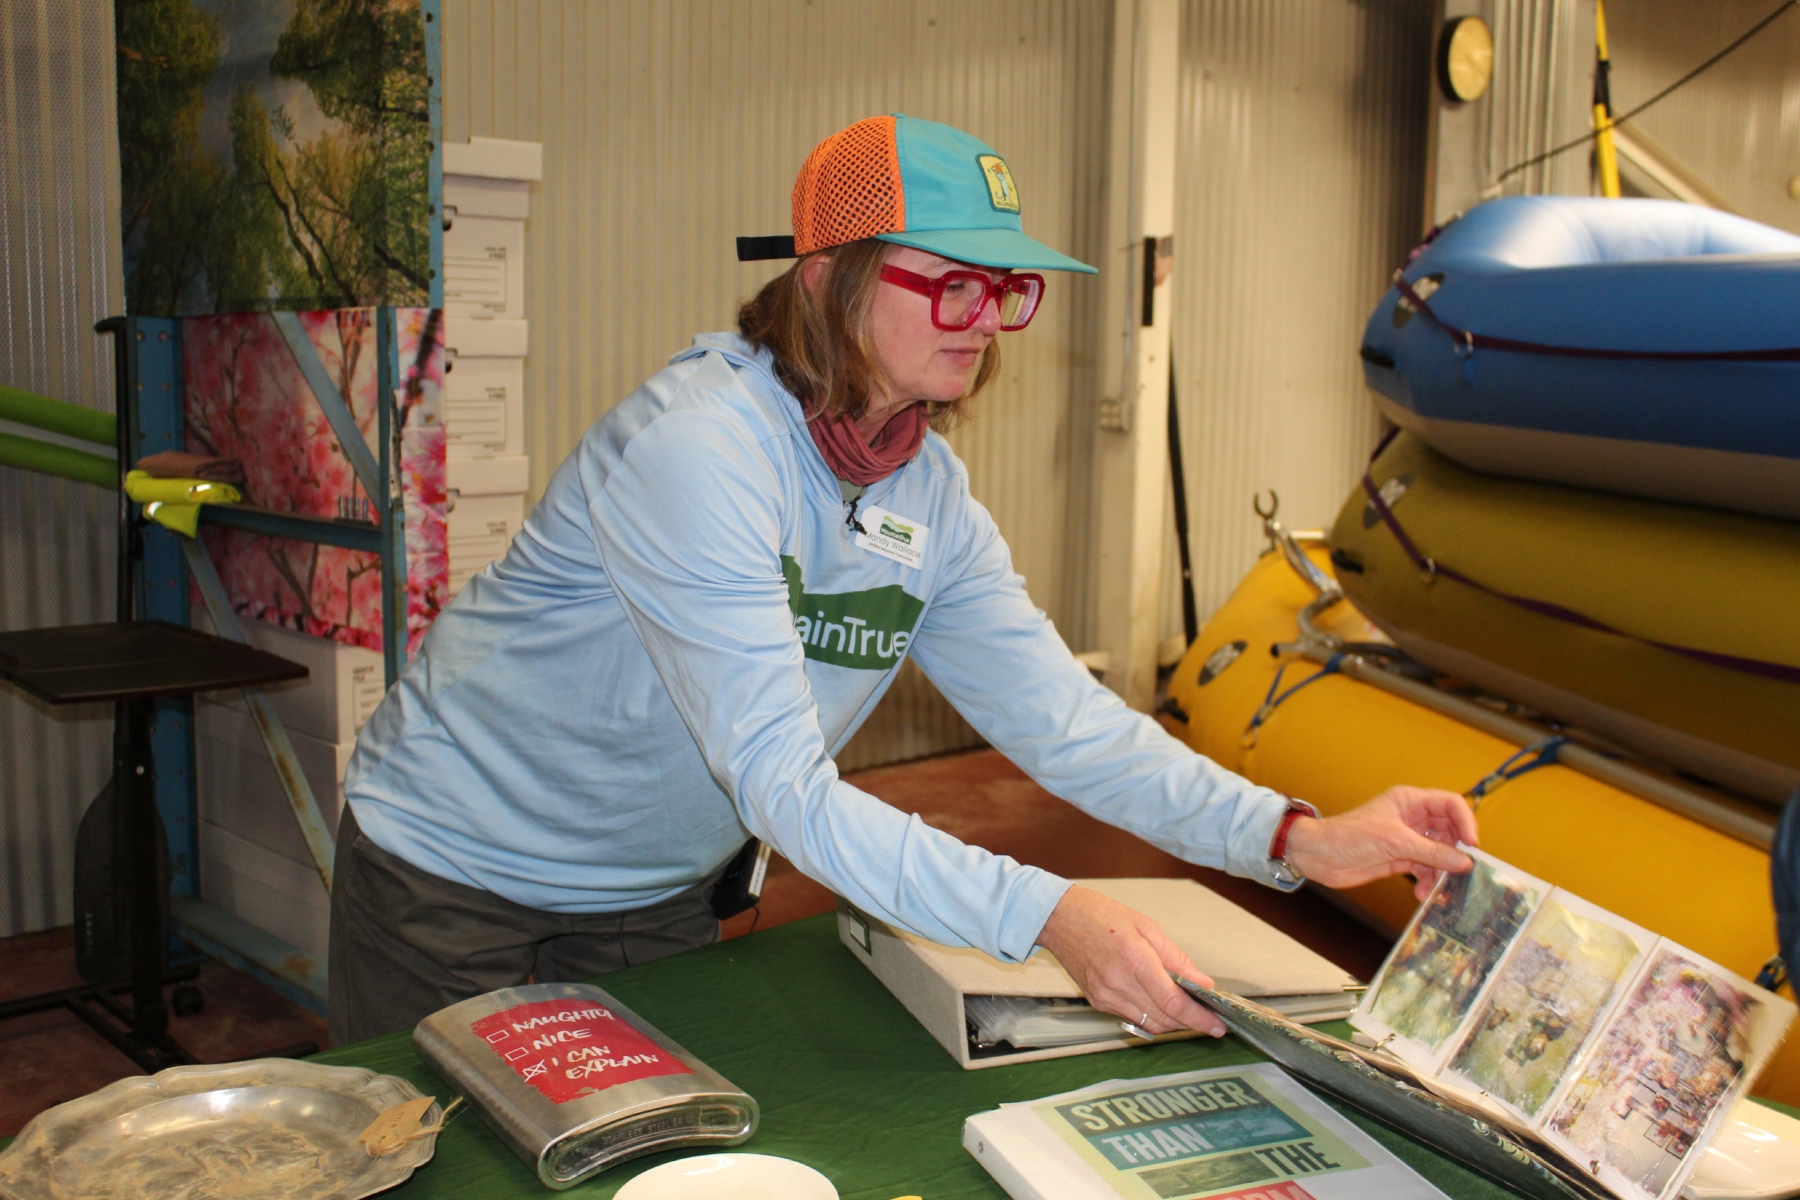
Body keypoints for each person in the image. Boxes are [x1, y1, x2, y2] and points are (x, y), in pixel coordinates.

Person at [327, 114, 1477, 1046]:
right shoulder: (704, 448)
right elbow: (785, 785)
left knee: (636, 1164)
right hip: (455, 866)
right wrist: (1048, 914)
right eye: (955, 285)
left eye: (1009, 290)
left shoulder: (925, 495)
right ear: (830, 281)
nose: (988, 324)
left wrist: (1292, 838)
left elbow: (1068, 725)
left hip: (648, 890)